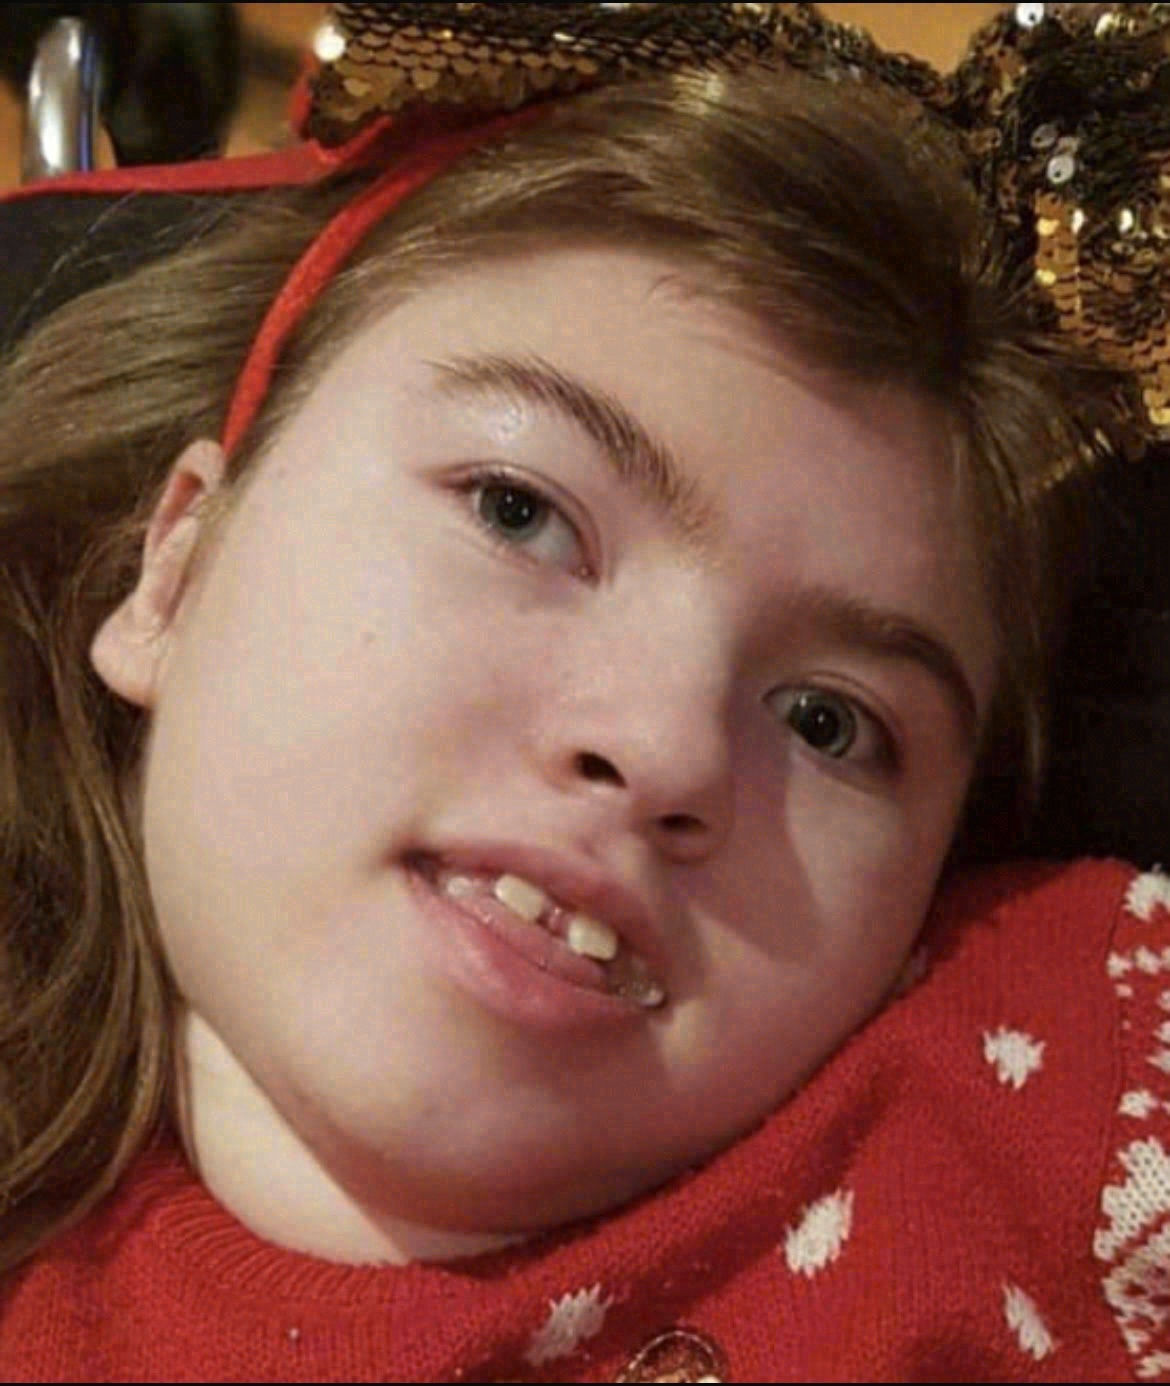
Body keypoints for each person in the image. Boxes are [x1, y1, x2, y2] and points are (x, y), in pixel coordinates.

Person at [0, 4, 1164, 1381]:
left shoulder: (1073, 1070)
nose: (664, 748)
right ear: (175, 570)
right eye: (520, 513)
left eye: (827, 723)